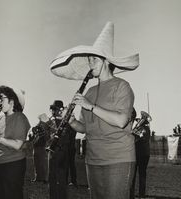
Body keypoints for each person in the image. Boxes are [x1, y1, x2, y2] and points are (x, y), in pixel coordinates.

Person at [49, 22, 140, 199]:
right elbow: (86, 128)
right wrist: (72, 121)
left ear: (106, 62)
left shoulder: (122, 86)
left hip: (118, 158)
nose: (90, 63)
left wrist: (89, 105)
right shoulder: (89, 91)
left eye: (94, 59)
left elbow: (121, 121)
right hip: (93, 159)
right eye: (89, 59)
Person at [0, 84, 31, 199]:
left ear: (11, 101)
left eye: (1, 99)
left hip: (12, 164)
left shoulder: (20, 117)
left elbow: (18, 145)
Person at [47, 100, 76, 199]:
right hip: (62, 151)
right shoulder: (66, 120)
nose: (53, 111)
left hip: (58, 151)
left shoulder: (54, 121)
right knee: (60, 178)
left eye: (54, 109)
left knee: (55, 178)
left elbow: (71, 134)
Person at [130, 109, 151, 199]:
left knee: (134, 176)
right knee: (141, 175)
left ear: (144, 121)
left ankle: (133, 195)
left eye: (141, 119)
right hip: (144, 154)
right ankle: (141, 196)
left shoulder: (143, 129)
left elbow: (137, 139)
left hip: (139, 154)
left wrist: (133, 132)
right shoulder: (145, 129)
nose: (139, 121)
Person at [31, 114, 49, 184]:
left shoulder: (45, 127)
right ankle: (38, 177)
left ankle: (45, 178)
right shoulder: (38, 127)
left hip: (42, 147)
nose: (39, 121)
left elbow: (46, 137)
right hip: (36, 146)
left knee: (42, 163)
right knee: (36, 163)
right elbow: (33, 136)